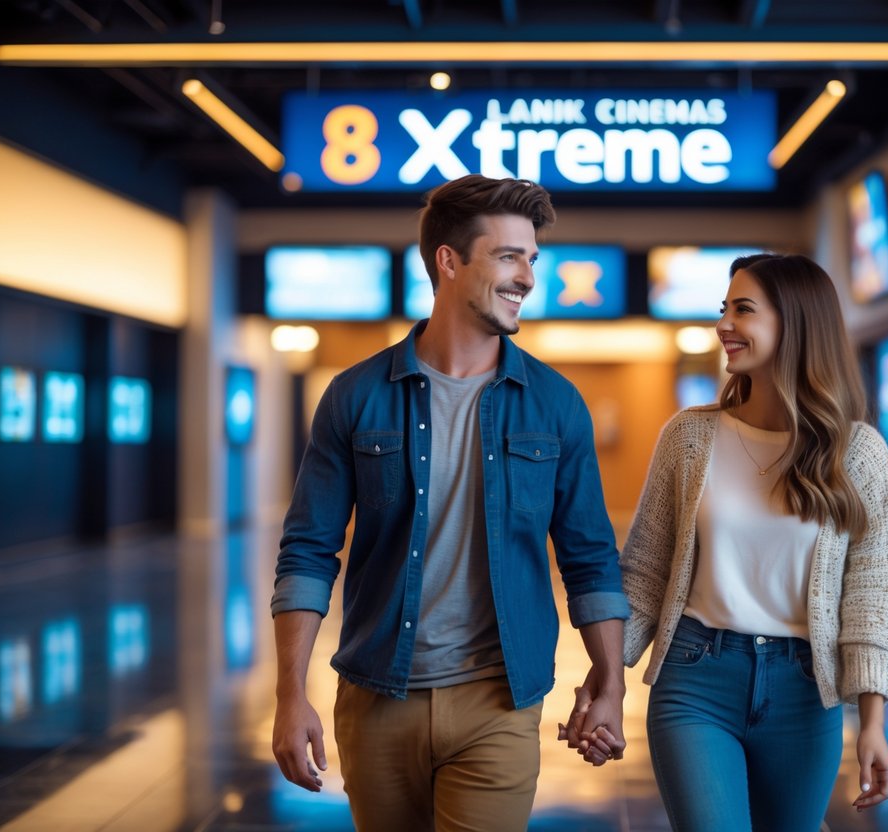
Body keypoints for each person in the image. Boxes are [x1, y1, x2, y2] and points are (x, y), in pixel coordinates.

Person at [270, 174, 630, 831]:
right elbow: (308, 552)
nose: (527, 276)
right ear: (449, 261)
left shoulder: (554, 405)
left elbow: (590, 560)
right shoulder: (355, 396)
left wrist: (609, 684)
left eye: (533, 259)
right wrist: (289, 695)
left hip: (498, 700)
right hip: (376, 695)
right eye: (508, 256)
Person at [602, 254, 888, 831]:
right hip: (696, 677)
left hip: (804, 689)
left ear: (796, 323)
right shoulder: (689, 437)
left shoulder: (858, 453)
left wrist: (872, 720)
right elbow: (643, 572)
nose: (724, 325)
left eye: (743, 309)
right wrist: (607, 680)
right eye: (724, 309)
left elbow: (874, 588)